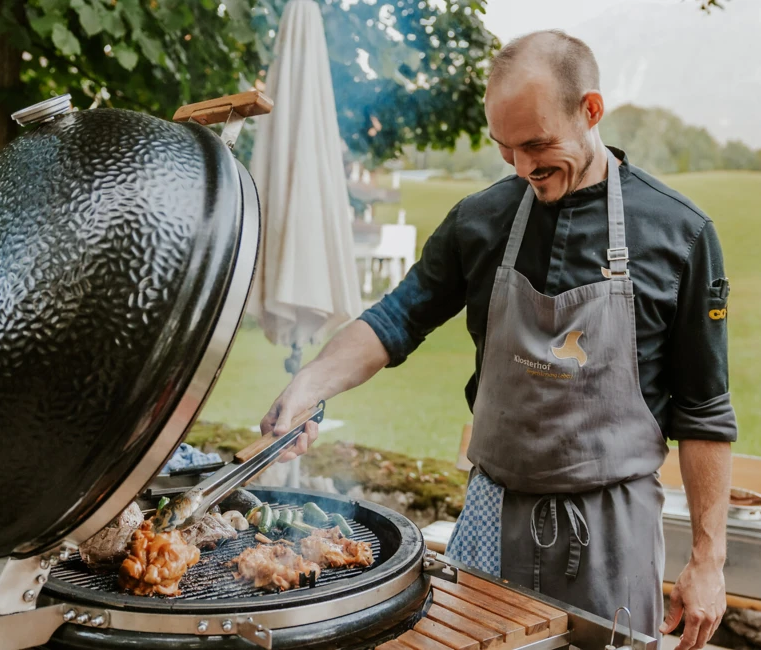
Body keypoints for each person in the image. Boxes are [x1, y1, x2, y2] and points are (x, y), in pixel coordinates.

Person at [260, 29, 735, 650]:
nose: (522, 168)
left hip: (612, 531)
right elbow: (395, 319)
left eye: (537, 145)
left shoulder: (681, 235)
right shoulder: (480, 220)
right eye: (504, 149)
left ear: (590, 110)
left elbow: (703, 411)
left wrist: (708, 559)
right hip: (492, 511)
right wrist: (311, 383)